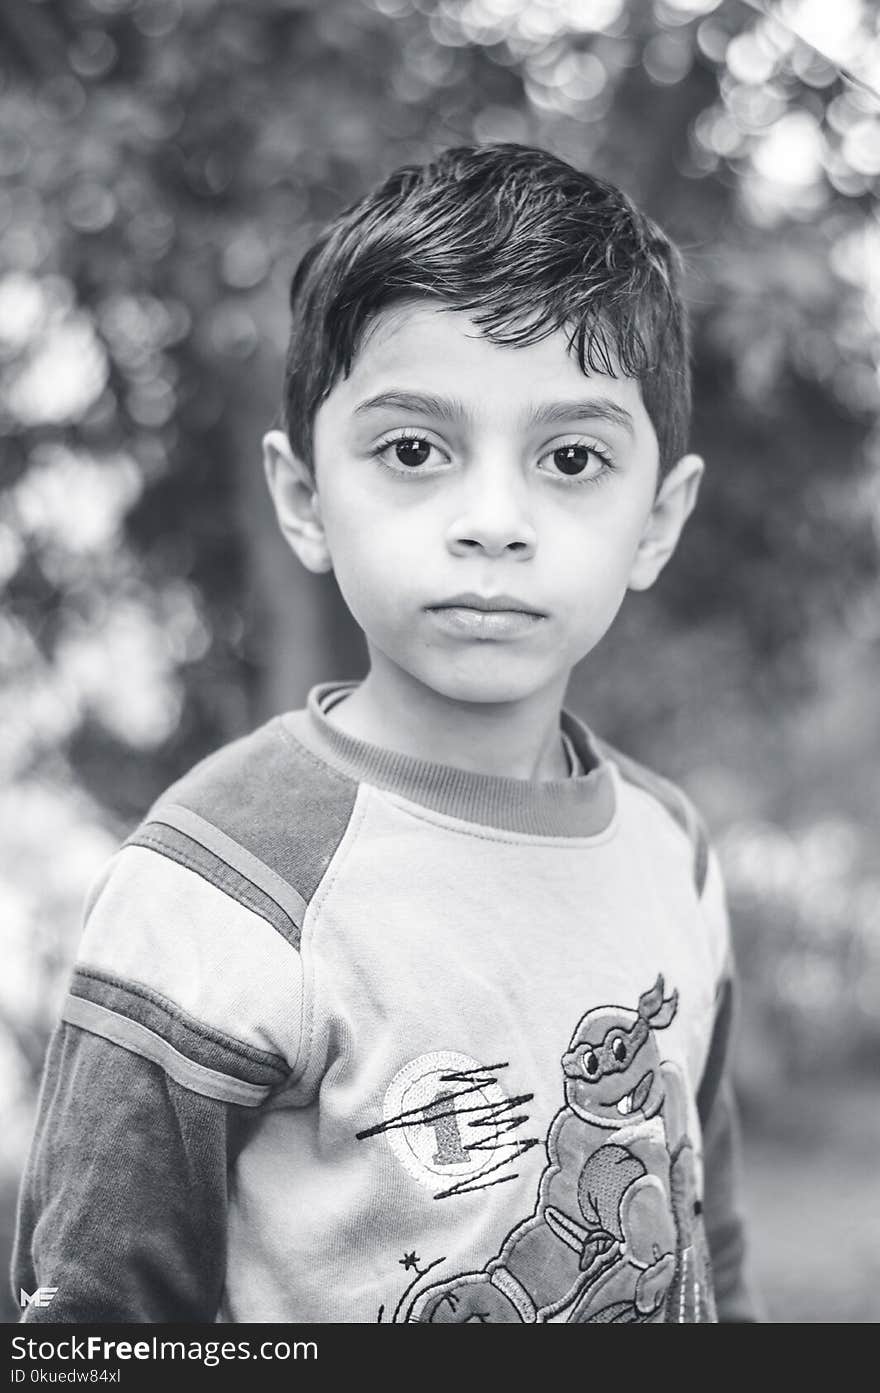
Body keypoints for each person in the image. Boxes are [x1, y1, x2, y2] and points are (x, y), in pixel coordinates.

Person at [13, 143, 759, 1324]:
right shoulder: (215, 886)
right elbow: (94, 1327)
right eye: (414, 450)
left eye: (571, 458)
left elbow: (704, 1237)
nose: (493, 523)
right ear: (305, 495)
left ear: (657, 521)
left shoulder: (674, 852)